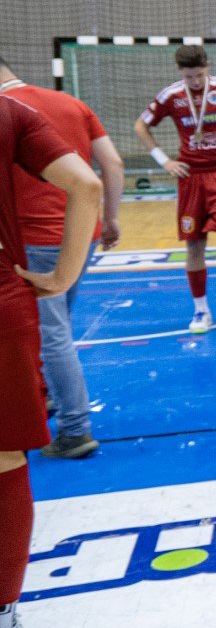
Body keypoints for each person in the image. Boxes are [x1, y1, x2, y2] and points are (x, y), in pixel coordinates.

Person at [0, 94, 101, 628]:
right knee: (6, 456)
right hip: (3, 295)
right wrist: (63, 276)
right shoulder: (15, 112)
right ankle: (2, 614)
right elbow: (89, 182)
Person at [0, 57, 122, 459]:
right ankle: (50, 398)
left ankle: (75, 429)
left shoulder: (9, 113)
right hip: (79, 235)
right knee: (56, 327)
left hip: (32, 239)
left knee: (53, 334)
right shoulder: (71, 103)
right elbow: (112, 164)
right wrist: (111, 218)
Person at [133, 45, 216, 338]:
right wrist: (164, 161)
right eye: (189, 77)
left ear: (207, 66)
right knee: (194, 244)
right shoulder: (171, 95)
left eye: (200, 75)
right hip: (190, 176)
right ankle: (201, 309)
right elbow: (140, 126)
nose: (196, 82)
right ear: (180, 72)